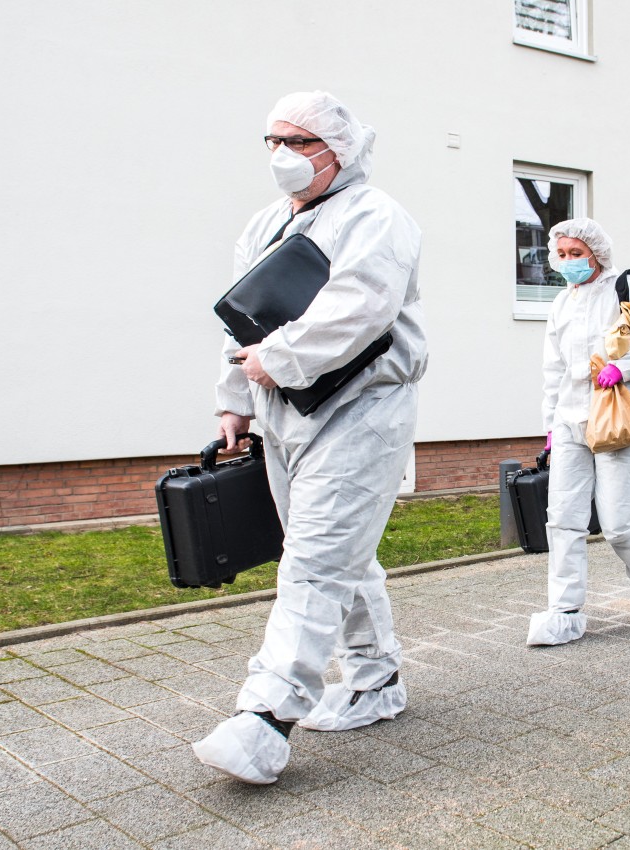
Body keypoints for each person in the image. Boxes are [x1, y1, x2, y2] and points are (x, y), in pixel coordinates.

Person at [192, 91, 427, 785]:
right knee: (334, 553)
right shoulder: (266, 224)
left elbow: (360, 308)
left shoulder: (377, 216)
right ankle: (374, 680)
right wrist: (234, 399)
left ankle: (264, 720)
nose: (283, 156)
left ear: (341, 149)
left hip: (363, 407)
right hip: (283, 410)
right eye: (273, 141)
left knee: (316, 562)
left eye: (299, 141)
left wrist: (278, 359)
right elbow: (243, 323)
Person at [528, 218, 630, 647]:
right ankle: (565, 612)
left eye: (577, 253)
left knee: (618, 523)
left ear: (596, 253)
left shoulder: (624, 287)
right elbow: (552, 368)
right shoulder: (561, 302)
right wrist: (550, 427)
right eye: (562, 254)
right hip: (569, 418)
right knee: (563, 520)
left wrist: (625, 367)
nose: (569, 261)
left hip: (616, 414)